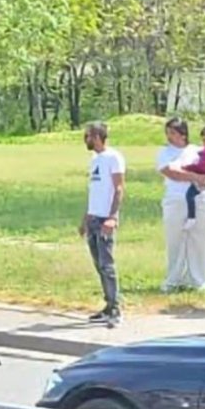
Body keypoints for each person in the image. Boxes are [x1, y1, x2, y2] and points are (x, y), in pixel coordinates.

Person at [155, 117, 205, 293]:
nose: (169, 136)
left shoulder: (198, 151)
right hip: (175, 199)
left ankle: (202, 280)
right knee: (175, 239)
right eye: (167, 133)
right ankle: (175, 279)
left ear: (183, 134)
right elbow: (170, 172)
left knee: (202, 238)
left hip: (200, 198)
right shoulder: (164, 152)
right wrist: (195, 177)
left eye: (173, 133)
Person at [78, 122, 125, 328]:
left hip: (105, 218)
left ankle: (115, 308)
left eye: (88, 136)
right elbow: (94, 192)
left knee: (107, 265)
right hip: (93, 218)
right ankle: (108, 305)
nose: (85, 140)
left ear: (97, 137)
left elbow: (119, 188)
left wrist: (112, 216)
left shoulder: (113, 158)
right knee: (99, 264)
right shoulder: (94, 160)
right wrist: (85, 219)